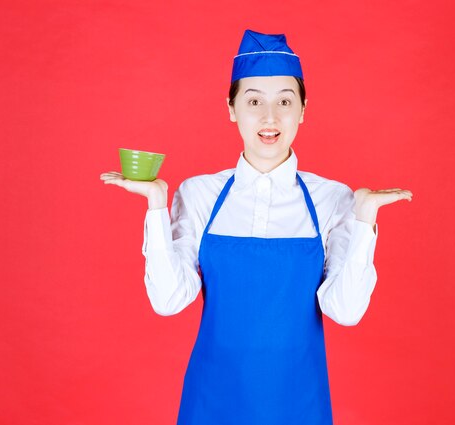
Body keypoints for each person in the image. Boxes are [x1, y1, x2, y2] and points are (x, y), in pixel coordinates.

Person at [100, 29, 412, 425]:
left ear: (303, 109)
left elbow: (346, 311)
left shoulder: (333, 200)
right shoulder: (200, 194)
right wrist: (157, 205)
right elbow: (168, 301)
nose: (270, 117)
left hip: (300, 405)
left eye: (285, 101)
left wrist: (365, 218)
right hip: (211, 402)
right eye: (253, 101)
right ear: (231, 109)